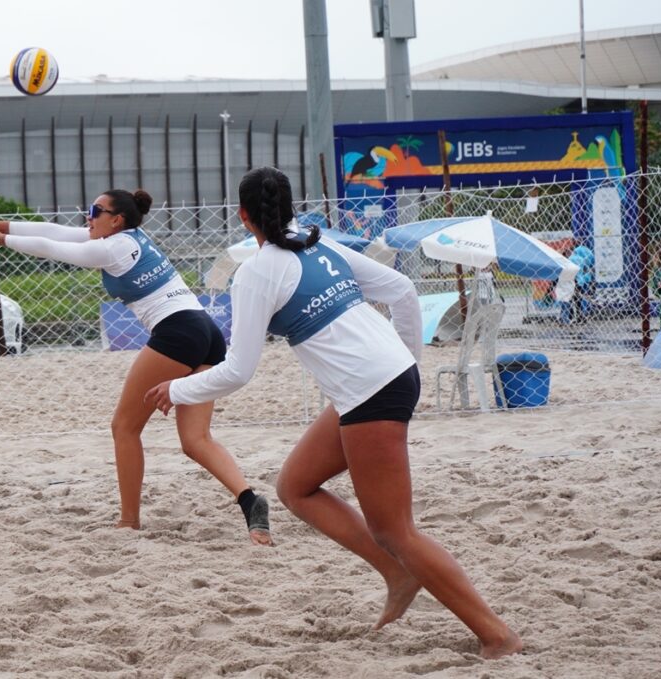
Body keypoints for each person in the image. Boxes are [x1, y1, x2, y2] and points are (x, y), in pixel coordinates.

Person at [145, 168, 522, 658]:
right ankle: (395, 572)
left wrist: (179, 387)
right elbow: (403, 291)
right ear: (290, 208)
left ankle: (496, 634)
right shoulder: (318, 243)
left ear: (242, 217)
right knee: (295, 486)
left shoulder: (256, 272)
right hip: (380, 380)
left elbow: (238, 371)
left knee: (395, 530)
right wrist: (409, 361)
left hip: (372, 391)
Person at [0, 188, 272, 545]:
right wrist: (7, 225)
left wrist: (3, 240)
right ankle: (251, 501)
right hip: (205, 331)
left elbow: (58, 249)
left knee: (124, 428)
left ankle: (129, 522)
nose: (88, 216)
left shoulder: (112, 247)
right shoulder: (128, 236)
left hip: (178, 332)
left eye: (95, 210)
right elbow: (55, 231)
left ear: (116, 219)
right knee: (196, 440)